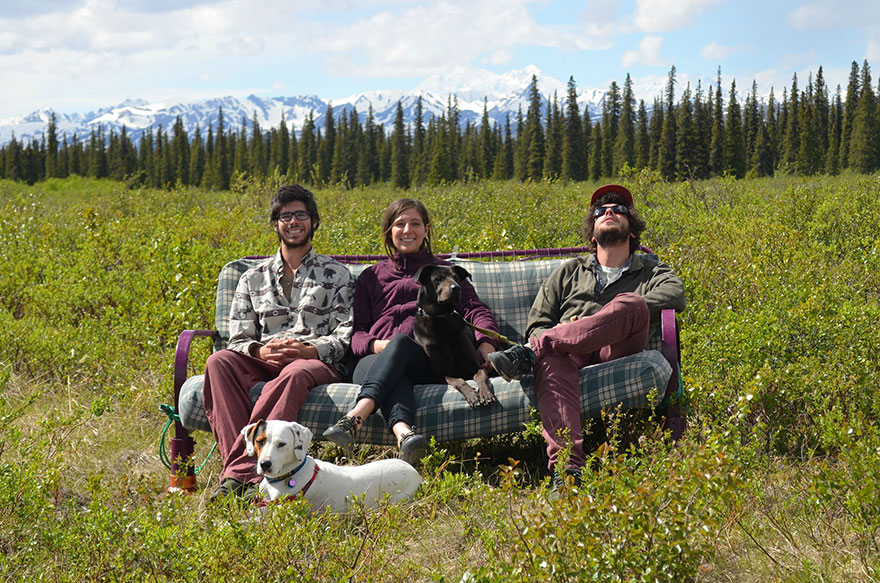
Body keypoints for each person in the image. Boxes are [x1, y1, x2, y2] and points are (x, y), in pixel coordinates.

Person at [487, 184, 685, 490]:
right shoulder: (567, 272)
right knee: (551, 357)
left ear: (632, 231)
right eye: (600, 211)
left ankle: (529, 353)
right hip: (568, 356)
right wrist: (567, 336)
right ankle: (567, 473)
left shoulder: (650, 268)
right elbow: (538, 322)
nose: (609, 212)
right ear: (592, 233)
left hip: (617, 349)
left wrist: (596, 322)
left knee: (632, 304)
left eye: (618, 210)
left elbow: (675, 293)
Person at [203, 184, 354, 501]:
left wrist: (308, 350)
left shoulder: (337, 274)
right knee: (218, 362)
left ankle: (239, 476)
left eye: (301, 214)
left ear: (313, 221)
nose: (293, 221)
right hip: (264, 361)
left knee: (295, 371)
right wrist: (260, 350)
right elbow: (238, 337)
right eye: (285, 216)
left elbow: (345, 336)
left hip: (314, 362)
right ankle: (244, 474)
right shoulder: (251, 277)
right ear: (276, 224)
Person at [322, 198, 500, 464]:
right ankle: (405, 436)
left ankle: (353, 418)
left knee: (403, 344)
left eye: (415, 223)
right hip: (373, 361)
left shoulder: (443, 272)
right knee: (396, 358)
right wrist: (377, 345)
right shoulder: (371, 277)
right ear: (388, 231)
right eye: (399, 224)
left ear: (426, 229)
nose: (408, 230)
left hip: (426, 360)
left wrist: (486, 342)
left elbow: (476, 310)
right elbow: (356, 333)